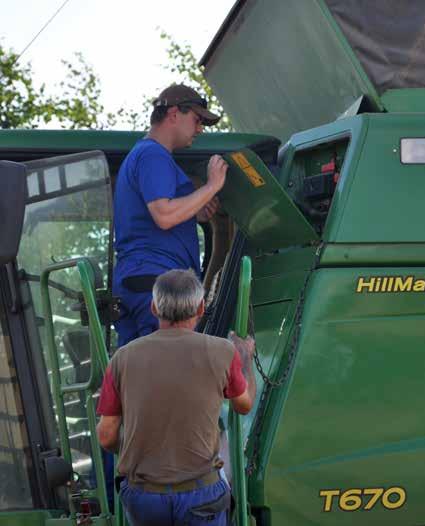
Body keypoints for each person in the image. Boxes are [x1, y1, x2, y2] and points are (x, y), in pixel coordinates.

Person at [96, 269, 256, 526]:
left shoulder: (122, 358)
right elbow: (245, 405)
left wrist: (134, 451)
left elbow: (106, 435)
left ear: (153, 308)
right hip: (201, 497)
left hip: (144, 498)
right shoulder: (223, 352)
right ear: (201, 308)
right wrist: (245, 356)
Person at [113, 84, 228, 347]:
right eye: (197, 120)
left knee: (136, 378)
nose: (200, 129)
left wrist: (192, 213)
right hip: (158, 285)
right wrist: (211, 186)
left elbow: (155, 217)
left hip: (140, 283)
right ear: (174, 114)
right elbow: (164, 215)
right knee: (172, 374)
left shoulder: (141, 155)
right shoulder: (154, 155)